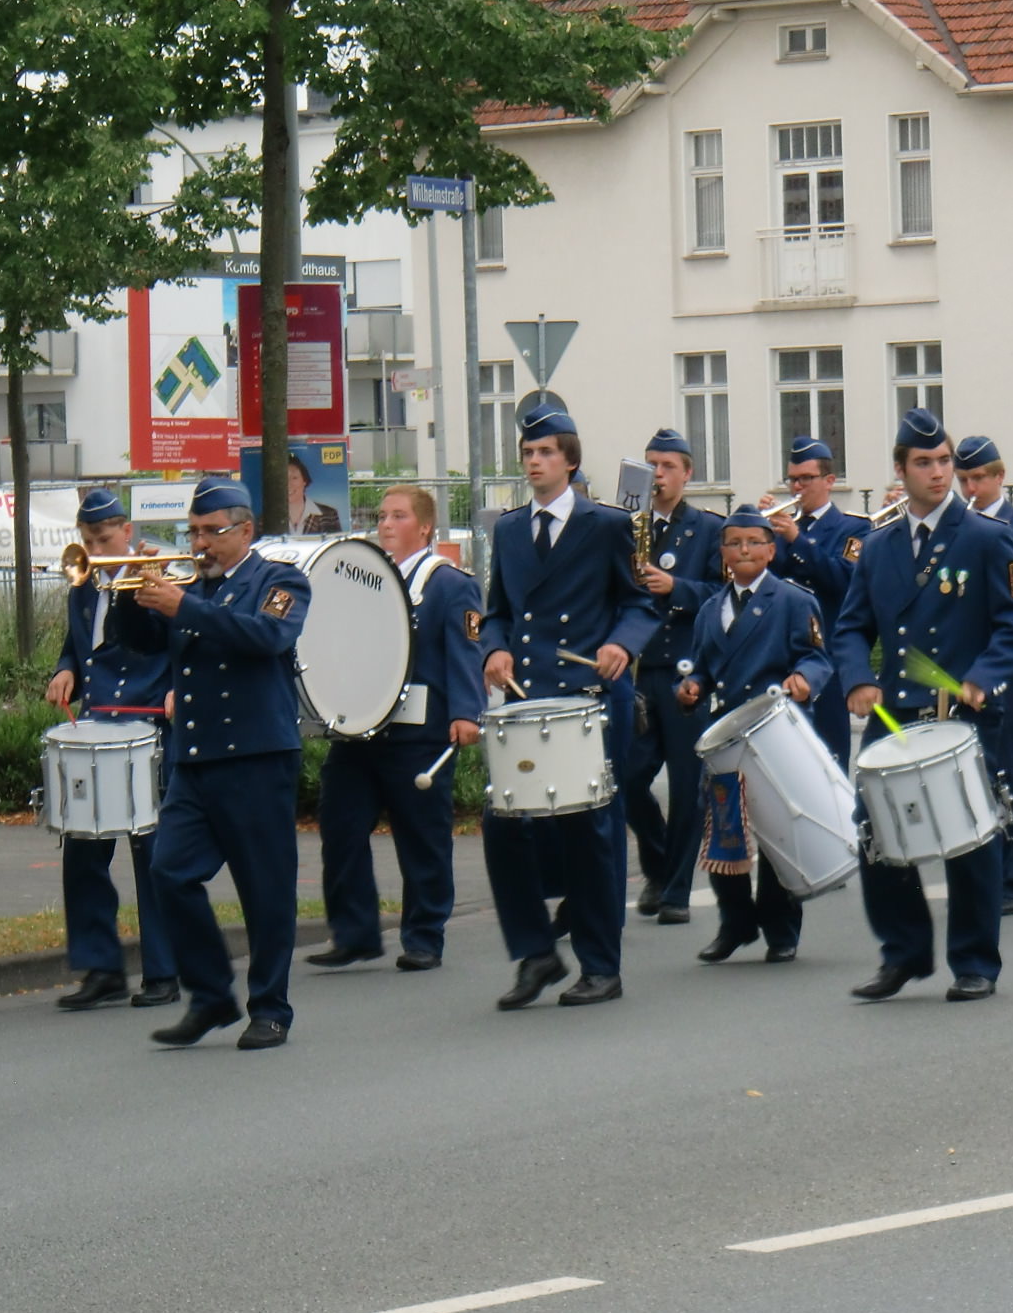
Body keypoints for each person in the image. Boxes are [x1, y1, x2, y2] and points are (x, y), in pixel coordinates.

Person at [831, 409, 1013, 1002]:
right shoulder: (878, 547)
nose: (939, 472)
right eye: (924, 463)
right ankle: (903, 952)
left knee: (970, 837)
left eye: (944, 461)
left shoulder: (987, 538)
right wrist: (856, 679)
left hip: (961, 714)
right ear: (901, 470)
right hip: (896, 711)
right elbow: (850, 628)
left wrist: (981, 679)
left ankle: (974, 961)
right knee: (875, 831)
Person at [113, 477, 312, 1050]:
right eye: (194, 532)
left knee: (265, 890)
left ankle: (270, 1007)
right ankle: (210, 995)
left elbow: (267, 636)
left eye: (211, 532)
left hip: (257, 756)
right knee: (168, 872)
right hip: (196, 758)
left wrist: (186, 607)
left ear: (245, 531)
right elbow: (140, 642)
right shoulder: (190, 588)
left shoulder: (279, 580)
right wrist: (129, 589)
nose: (199, 543)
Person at [480, 409, 657, 1010]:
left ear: (570, 461)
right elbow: (498, 612)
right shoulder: (509, 529)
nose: (534, 462)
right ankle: (536, 952)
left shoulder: (607, 525)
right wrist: (494, 650)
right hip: (529, 699)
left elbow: (638, 604)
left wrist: (620, 645)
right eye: (528, 452)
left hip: (588, 700)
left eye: (546, 452)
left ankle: (601, 966)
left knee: (589, 832)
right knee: (503, 826)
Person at [306, 485, 483, 971]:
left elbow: (466, 649)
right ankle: (354, 933)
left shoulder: (447, 584)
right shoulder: (364, 580)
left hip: (417, 732)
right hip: (360, 730)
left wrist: (466, 712)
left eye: (398, 516)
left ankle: (424, 936)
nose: (385, 524)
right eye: (382, 516)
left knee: (422, 838)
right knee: (340, 826)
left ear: (424, 527)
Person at [677, 507, 832, 963]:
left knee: (777, 831)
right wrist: (690, 688)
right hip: (727, 736)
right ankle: (736, 922)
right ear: (723, 553)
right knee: (723, 829)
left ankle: (781, 929)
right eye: (733, 543)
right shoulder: (711, 609)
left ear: (770, 550)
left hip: (776, 730)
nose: (743, 550)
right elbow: (701, 667)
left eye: (753, 542)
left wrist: (803, 679)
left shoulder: (793, 600)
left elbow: (817, 657)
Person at [44, 488, 179, 1011]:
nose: (95, 550)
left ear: (126, 532)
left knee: (152, 850)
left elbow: (178, 639)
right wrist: (66, 669)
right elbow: (79, 642)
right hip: (99, 721)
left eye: (103, 539)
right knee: (82, 843)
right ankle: (101, 967)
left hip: (148, 725)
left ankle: (163, 971)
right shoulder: (82, 586)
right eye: (88, 541)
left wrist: (179, 690)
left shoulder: (154, 579)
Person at [621, 428, 724, 924]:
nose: (657, 475)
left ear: (687, 474)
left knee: (687, 786)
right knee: (626, 778)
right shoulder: (626, 527)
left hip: (685, 673)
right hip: (638, 671)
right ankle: (658, 865)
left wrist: (676, 587)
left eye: (667, 466)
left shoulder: (708, 529)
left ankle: (677, 891)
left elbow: (723, 596)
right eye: (651, 465)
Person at [955, 435, 1013, 915]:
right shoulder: (953, 526)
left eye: (979, 478)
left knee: (1010, 770)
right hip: (966, 661)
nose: (971, 488)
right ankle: (977, 877)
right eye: (964, 479)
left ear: (999, 478)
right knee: (967, 771)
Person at [759, 436, 869, 766]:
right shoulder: (778, 530)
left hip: (827, 658)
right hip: (780, 658)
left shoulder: (854, 528)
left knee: (829, 758)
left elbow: (844, 580)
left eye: (806, 478)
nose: (797, 487)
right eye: (792, 479)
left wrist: (797, 540)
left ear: (829, 481)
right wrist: (759, 534)